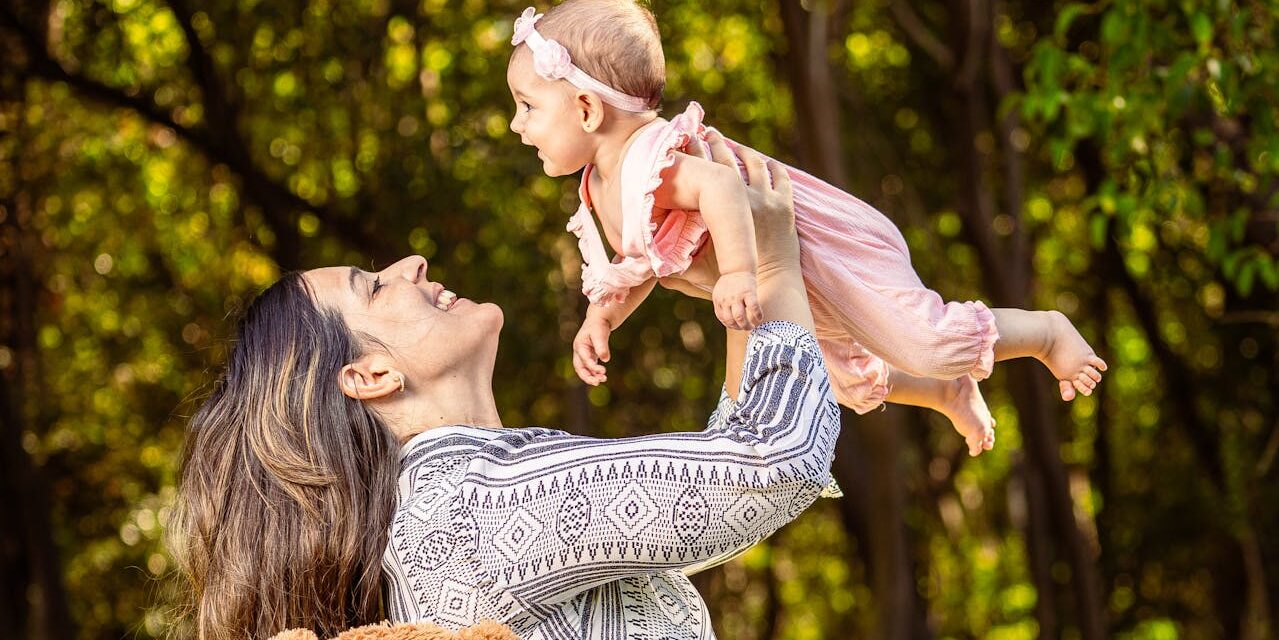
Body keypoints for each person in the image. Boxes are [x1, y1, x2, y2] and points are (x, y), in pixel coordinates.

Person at [170, 136, 839, 640]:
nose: (412, 263)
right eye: (374, 287)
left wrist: (743, 297)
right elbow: (771, 462)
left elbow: (723, 482)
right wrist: (775, 261)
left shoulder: (457, 508)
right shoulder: (476, 508)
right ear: (370, 376)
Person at [505, 0, 1110, 457]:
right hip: (787, 284)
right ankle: (943, 391)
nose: (515, 124)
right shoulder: (601, 185)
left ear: (587, 110)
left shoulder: (648, 159)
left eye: (528, 106)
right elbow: (646, 262)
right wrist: (603, 316)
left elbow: (720, 189)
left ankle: (1045, 334)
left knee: (924, 342)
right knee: (837, 376)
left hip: (822, 250)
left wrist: (740, 272)